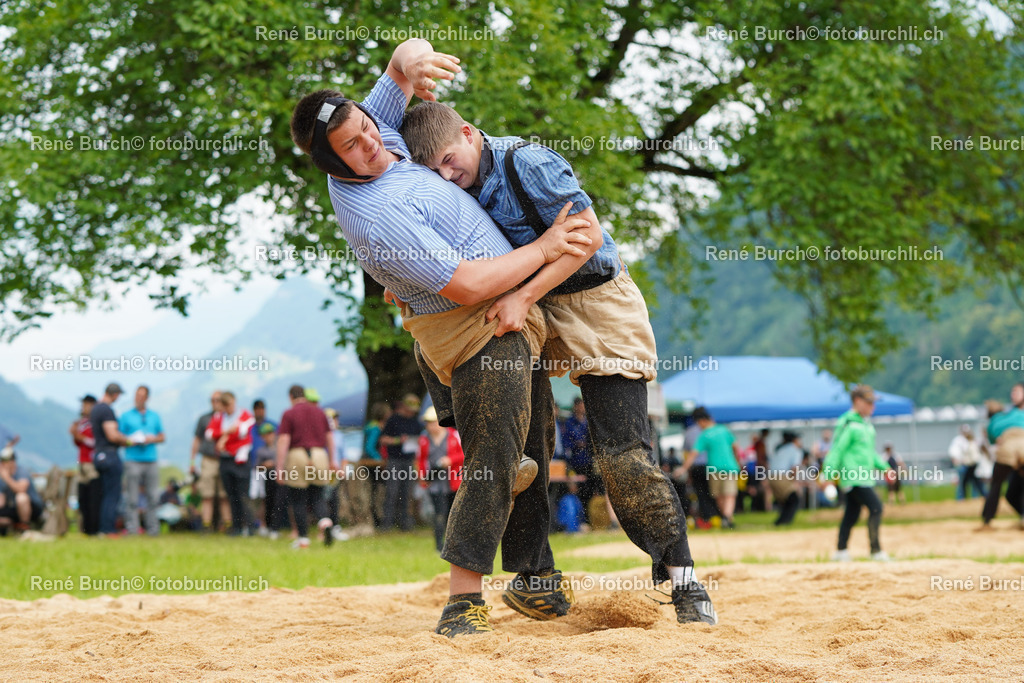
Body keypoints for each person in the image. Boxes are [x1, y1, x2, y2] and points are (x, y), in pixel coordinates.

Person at [291, 39, 588, 636]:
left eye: (367, 127)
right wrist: (545, 248)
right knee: (496, 459)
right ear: (332, 163)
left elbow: (401, 65)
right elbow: (468, 283)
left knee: (532, 449)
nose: (371, 141)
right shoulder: (375, 212)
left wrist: (417, 58)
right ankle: (462, 601)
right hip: (476, 326)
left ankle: (534, 581)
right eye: (352, 145)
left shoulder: (378, 136)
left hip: (508, 315)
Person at [402, 99, 715, 625]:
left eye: (449, 160)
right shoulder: (443, 190)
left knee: (623, 456)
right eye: (433, 171)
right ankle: (536, 578)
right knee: (519, 446)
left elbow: (586, 236)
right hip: (527, 306)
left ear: (469, 132)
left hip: (596, 302)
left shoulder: (530, 162)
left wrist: (524, 296)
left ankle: (683, 580)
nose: (446, 176)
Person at [823, 385, 892, 561]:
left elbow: (870, 452)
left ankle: (841, 550)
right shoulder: (848, 423)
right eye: (869, 403)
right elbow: (836, 450)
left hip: (866, 477)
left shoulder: (866, 425)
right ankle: (876, 551)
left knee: (851, 514)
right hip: (853, 477)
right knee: (876, 507)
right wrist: (828, 475)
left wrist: (885, 468)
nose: (873, 407)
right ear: (858, 401)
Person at [276, 384, 337, 549]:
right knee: (318, 496)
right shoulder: (319, 412)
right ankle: (325, 523)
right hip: (319, 455)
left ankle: (303, 539)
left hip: (297, 455)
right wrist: (333, 461)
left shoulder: (289, 413)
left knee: (298, 499)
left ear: (291, 397)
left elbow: (283, 440)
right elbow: (330, 438)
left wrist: (279, 467)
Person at [206, 391, 254, 536]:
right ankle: (237, 527)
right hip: (225, 459)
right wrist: (227, 432)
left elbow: (243, 431)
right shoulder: (218, 417)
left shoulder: (244, 415)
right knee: (231, 495)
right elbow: (209, 434)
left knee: (243, 495)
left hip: (240, 460)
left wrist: (224, 436)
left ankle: (250, 527)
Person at [118, 385, 165, 536]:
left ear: (147, 398)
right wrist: (131, 440)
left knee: (153, 496)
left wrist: (152, 439)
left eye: (142, 396)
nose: (138, 398)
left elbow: (162, 436)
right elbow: (120, 438)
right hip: (132, 459)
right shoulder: (126, 416)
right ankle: (132, 529)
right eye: (136, 395)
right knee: (132, 497)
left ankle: (153, 529)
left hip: (151, 459)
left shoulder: (155, 416)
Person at [417, 406, 465, 552]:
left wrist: (450, 460)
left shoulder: (453, 436)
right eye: (428, 423)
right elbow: (420, 459)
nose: (430, 426)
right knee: (439, 514)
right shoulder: (424, 439)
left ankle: (454, 545)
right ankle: (439, 545)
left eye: (433, 422)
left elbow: (464, 454)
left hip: (452, 481)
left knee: (453, 514)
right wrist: (422, 477)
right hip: (435, 482)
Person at [684, 407, 741, 529]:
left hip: (713, 468)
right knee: (729, 494)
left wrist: (684, 468)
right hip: (730, 466)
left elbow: (693, 454)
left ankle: (726, 518)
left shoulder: (704, 435)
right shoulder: (724, 430)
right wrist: (738, 461)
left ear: (702, 420)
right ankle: (727, 518)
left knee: (718, 495)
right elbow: (736, 447)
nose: (699, 426)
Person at [89, 382, 132, 536]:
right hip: (109, 455)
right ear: (115, 394)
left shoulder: (95, 409)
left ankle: (103, 528)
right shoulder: (107, 410)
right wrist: (128, 441)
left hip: (98, 454)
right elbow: (112, 435)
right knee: (112, 494)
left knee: (104, 493)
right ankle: (108, 529)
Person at [978, 395, 1024, 531]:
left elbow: (994, 442)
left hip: (1008, 446)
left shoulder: (992, 423)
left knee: (996, 484)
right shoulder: (1016, 413)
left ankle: (987, 521)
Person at [379, 394, 424, 532]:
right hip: (394, 460)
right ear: (404, 406)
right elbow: (383, 440)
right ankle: (386, 524)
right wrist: (398, 441)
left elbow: (421, 441)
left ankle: (405, 524)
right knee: (391, 492)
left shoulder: (416, 423)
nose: (411, 412)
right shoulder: (393, 419)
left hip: (409, 461)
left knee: (406, 493)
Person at [190, 391, 230, 532]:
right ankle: (206, 525)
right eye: (213, 400)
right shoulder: (204, 419)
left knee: (224, 495)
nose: (215, 403)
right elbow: (197, 440)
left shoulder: (229, 418)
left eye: (218, 400)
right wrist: (192, 462)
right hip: (208, 459)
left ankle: (227, 525)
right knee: (207, 494)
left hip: (225, 459)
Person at [560, 397, 601, 527]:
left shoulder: (587, 422)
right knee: (578, 492)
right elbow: (566, 442)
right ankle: (579, 521)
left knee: (590, 491)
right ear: (576, 406)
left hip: (588, 461)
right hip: (575, 462)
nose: (582, 408)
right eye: (580, 405)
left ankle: (589, 521)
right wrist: (577, 445)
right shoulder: (569, 423)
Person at [70, 394, 101, 535]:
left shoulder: (96, 422)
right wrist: (75, 435)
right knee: (82, 497)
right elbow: (79, 443)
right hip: (81, 462)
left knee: (93, 497)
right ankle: (85, 528)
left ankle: (94, 529)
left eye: (85, 404)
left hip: (92, 463)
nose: (83, 407)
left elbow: (94, 442)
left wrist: (80, 436)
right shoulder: (82, 423)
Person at [0, 446, 44, 532]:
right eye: (2, 461)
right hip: (13, 508)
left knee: (21, 497)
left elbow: (21, 489)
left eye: (6, 460)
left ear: (13, 461)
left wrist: (7, 478)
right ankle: (10, 526)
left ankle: (24, 526)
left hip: (32, 508)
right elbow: (1, 500)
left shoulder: (21, 471)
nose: (4, 463)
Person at [362, 402, 390, 529]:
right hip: (373, 464)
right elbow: (369, 447)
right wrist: (379, 459)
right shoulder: (375, 428)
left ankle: (375, 519)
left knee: (373, 492)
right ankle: (376, 519)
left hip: (368, 463)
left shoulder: (371, 425)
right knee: (377, 492)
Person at [769, 431, 804, 526]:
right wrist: (795, 482)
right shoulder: (795, 450)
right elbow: (794, 468)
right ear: (794, 440)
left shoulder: (779, 449)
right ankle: (785, 521)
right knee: (794, 499)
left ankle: (780, 521)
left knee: (785, 500)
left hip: (771, 477)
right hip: (782, 477)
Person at [949, 424, 987, 500]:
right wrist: (957, 460)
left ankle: (976, 498)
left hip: (974, 465)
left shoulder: (974, 440)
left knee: (976, 483)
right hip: (964, 465)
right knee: (963, 483)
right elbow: (953, 452)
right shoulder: (958, 440)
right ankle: (961, 499)